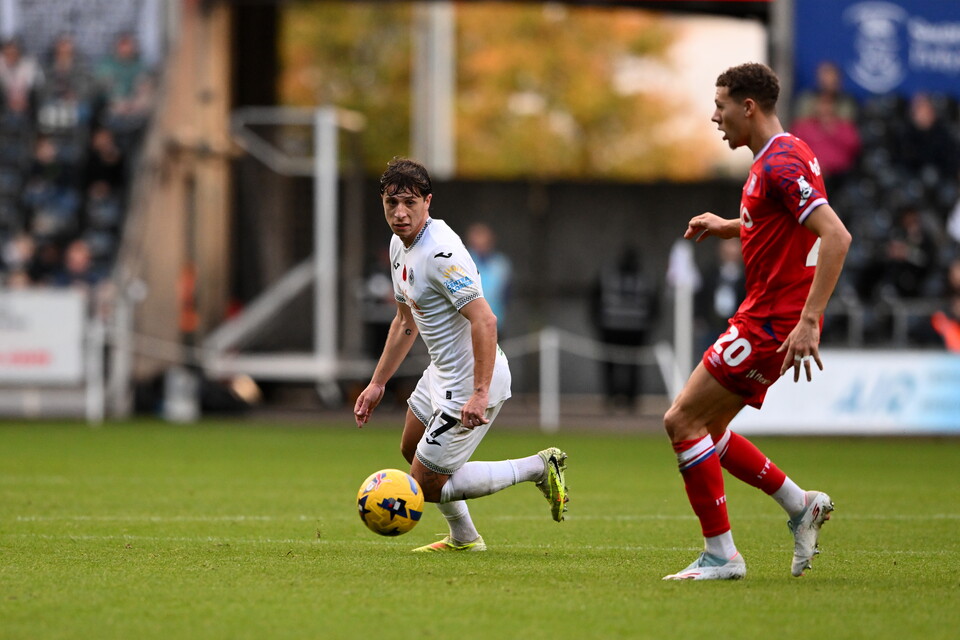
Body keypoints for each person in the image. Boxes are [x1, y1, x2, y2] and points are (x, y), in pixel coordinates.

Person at [662, 63, 851, 581]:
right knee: (709, 429)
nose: (714, 116)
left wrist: (809, 319)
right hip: (768, 316)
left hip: (773, 323)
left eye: (720, 105)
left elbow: (836, 236)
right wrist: (729, 226)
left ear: (748, 107)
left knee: (682, 422)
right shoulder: (780, 155)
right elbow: (781, 222)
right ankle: (800, 504)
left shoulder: (782, 162)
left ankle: (722, 555)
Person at [354, 157, 568, 552]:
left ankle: (538, 467)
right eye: (391, 204)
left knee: (425, 485)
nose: (400, 213)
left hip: (471, 379)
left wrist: (480, 392)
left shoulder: (441, 254)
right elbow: (405, 320)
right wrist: (377, 383)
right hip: (442, 373)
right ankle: (464, 538)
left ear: (427, 202)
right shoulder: (399, 245)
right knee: (410, 450)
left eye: (409, 204)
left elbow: (485, 320)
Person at [591, 246, 657, 412]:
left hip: (626, 329)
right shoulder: (611, 276)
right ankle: (615, 399)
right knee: (615, 366)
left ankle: (628, 400)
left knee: (631, 367)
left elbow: (653, 305)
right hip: (616, 329)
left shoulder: (641, 279)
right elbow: (594, 300)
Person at [465, 222, 512, 335]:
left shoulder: (501, 264)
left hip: (495, 321)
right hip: (467, 324)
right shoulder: (464, 261)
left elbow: (507, 294)